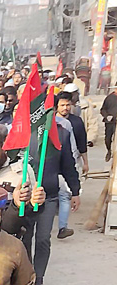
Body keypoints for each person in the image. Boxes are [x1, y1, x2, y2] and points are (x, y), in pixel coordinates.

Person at [9, 117, 80, 285]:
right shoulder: (20, 131)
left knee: (42, 239)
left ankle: (39, 281)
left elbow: (68, 165)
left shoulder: (60, 134)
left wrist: (75, 191)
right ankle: (25, 282)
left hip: (48, 196)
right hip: (25, 198)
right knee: (24, 239)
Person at [56, 91, 87, 239]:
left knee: (64, 195)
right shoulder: (56, 124)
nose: (65, 108)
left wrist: (84, 162)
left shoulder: (74, 122)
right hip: (54, 165)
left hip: (67, 162)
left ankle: (62, 227)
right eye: (62, 105)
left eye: (68, 104)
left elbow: (79, 143)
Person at [101, 83, 117, 161]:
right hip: (110, 122)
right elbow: (103, 109)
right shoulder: (109, 98)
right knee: (108, 138)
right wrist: (106, 116)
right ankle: (109, 150)